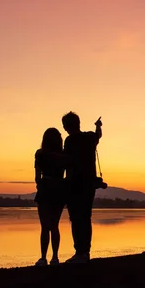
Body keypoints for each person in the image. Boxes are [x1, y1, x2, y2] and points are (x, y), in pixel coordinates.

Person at [62, 111, 102, 263]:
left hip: (75, 184)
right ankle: (85, 252)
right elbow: (99, 135)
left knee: (76, 219)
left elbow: (68, 163)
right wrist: (98, 126)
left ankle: (80, 252)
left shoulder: (70, 141)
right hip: (89, 184)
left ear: (67, 126)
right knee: (85, 217)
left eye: (65, 125)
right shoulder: (90, 137)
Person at [34, 127, 67, 266]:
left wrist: (40, 185)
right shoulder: (63, 156)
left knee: (44, 227)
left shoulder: (40, 154)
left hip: (45, 190)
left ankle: (43, 258)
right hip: (59, 190)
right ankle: (55, 257)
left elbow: (37, 177)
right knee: (55, 226)